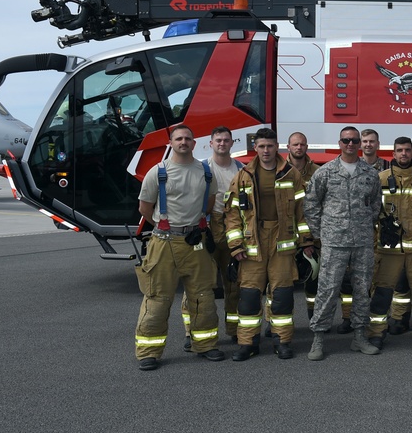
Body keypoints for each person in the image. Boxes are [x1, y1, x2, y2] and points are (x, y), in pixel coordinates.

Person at [134, 124, 223, 370]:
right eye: (179, 138)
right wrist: (167, 227)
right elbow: (145, 209)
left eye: (188, 138)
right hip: (163, 243)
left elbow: (210, 203)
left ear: (195, 144)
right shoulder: (158, 172)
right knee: (157, 299)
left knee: (202, 297)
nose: (184, 142)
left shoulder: (206, 172)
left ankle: (205, 345)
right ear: (171, 143)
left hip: (195, 242)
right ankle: (148, 352)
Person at [224, 128, 313, 361]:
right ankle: (247, 344)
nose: (266, 150)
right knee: (249, 296)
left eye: (270, 146)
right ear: (256, 148)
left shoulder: (290, 174)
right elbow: (232, 213)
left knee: (282, 295)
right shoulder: (243, 175)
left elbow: (302, 212)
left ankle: (282, 341)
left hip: (282, 241)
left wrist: (306, 242)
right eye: (262, 146)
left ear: (277, 147)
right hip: (252, 242)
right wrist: (236, 245)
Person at [305, 126, 383, 360]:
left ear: (359, 143)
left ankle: (359, 337)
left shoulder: (369, 174)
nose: (350, 144)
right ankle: (318, 340)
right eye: (346, 140)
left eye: (354, 140)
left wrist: (363, 227)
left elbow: (375, 206)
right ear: (339, 143)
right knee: (327, 291)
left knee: (361, 291)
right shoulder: (325, 172)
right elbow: (311, 205)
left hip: (361, 243)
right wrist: (323, 233)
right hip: (334, 243)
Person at [368, 136, 412, 350]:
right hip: (388, 249)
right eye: (399, 150)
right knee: (382, 293)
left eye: (407, 150)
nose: (404, 154)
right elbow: (370, 215)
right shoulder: (379, 179)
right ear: (393, 153)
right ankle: (376, 333)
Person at [179, 126, 243, 347]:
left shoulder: (241, 169)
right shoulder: (201, 168)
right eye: (218, 140)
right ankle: (191, 332)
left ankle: (234, 330)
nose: (222, 144)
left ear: (232, 143)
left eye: (226, 140)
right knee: (199, 282)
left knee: (234, 282)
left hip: (234, 226)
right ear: (211, 143)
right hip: (206, 227)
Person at [284, 132, 322, 323]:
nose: (299, 148)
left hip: (312, 233)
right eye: (295, 144)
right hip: (284, 234)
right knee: (280, 282)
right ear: (288, 147)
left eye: (302, 144)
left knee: (313, 281)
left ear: (307, 147)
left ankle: (314, 319)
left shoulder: (318, 172)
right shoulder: (278, 170)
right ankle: (277, 322)